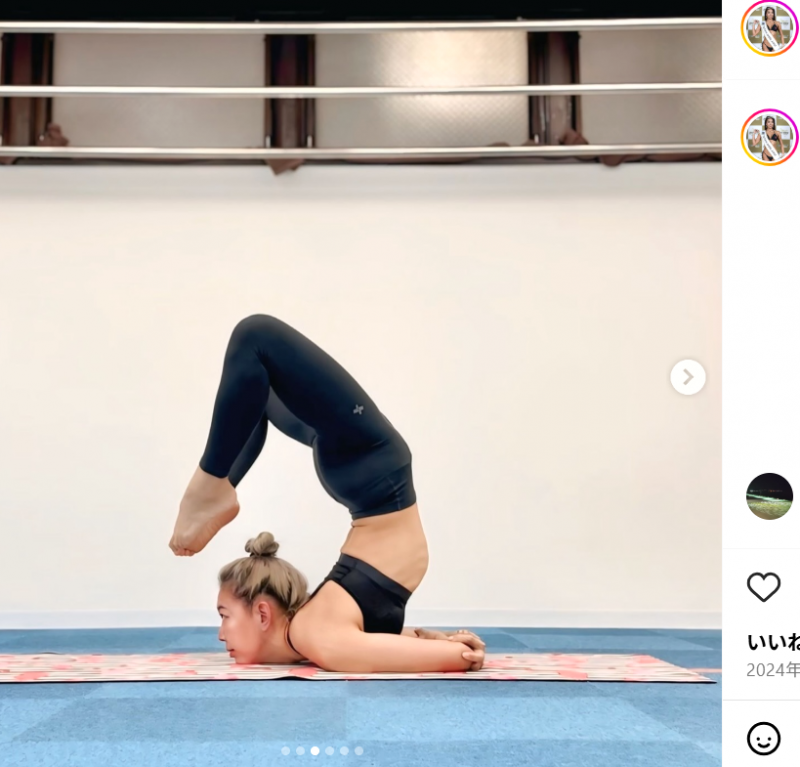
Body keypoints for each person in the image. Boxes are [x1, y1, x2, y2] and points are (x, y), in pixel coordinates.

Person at [169, 314, 486, 673]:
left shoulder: (316, 635)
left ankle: (216, 484)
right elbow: (452, 657)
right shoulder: (317, 637)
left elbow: (431, 653)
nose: (220, 634)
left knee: (257, 373)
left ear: (263, 613)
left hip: (370, 476)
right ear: (263, 615)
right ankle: (216, 483)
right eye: (223, 616)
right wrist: (441, 644)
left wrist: (441, 645)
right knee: (254, 339)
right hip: (372, 472)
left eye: (224, 616)